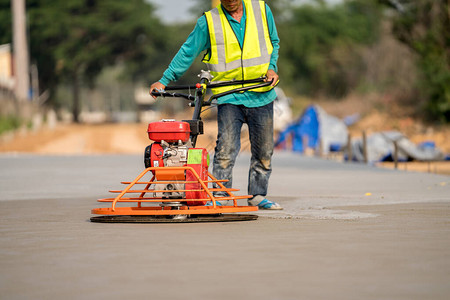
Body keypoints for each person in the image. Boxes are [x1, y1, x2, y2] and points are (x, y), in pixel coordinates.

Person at [150, 0, 283, 210]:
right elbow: (187, 52)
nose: (230, 1)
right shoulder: (208, 22)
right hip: (229, 95)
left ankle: (257, 195)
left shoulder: (261, 9)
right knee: (226, 148)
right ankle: (220, 194)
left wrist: (272, 68)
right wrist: (164, 80)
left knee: (264, 152)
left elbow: (273, 42)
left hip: (261, 93)